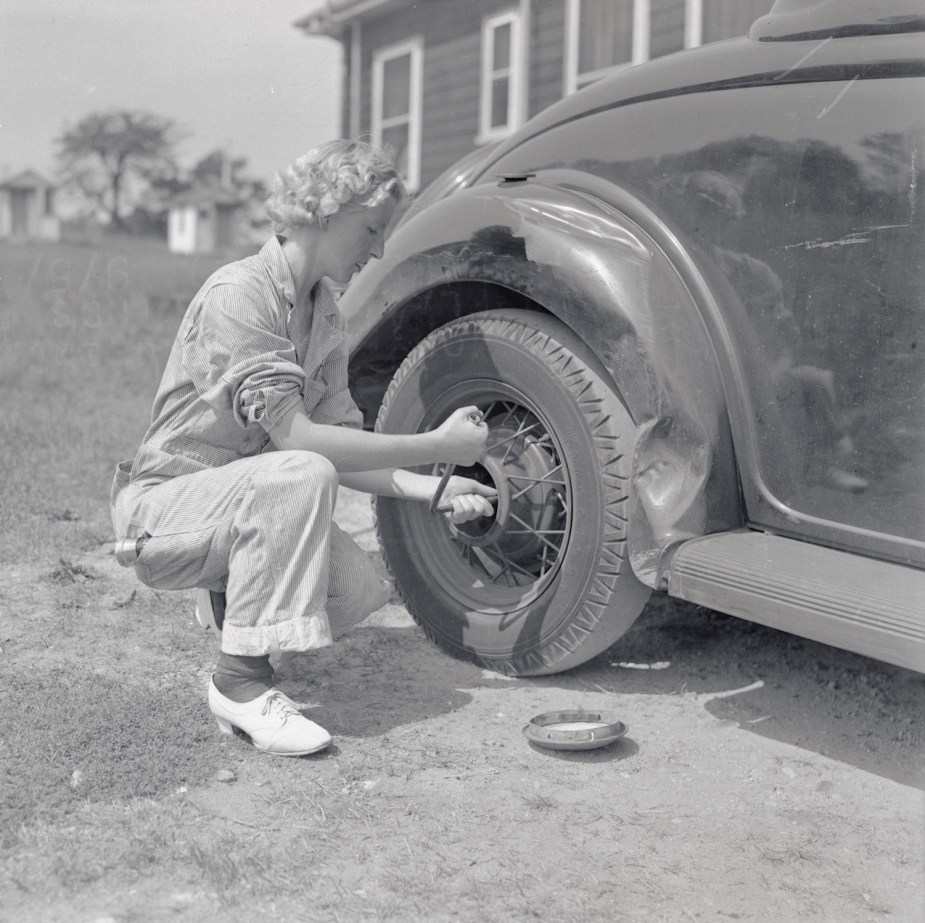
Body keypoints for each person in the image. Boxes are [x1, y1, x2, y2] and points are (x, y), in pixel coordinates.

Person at [110, 140, 496, 757]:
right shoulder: (238, 294)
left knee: (358, 588)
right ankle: (239, 684)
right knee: (303, 469)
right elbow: (299, 442)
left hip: (246, 504)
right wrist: (438, 442)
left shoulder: (326, 319)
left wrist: (437, 486)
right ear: (324, 210)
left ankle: (235, 600)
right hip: (163, 514)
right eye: (371, 229)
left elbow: (345, 447)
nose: (375, 250)